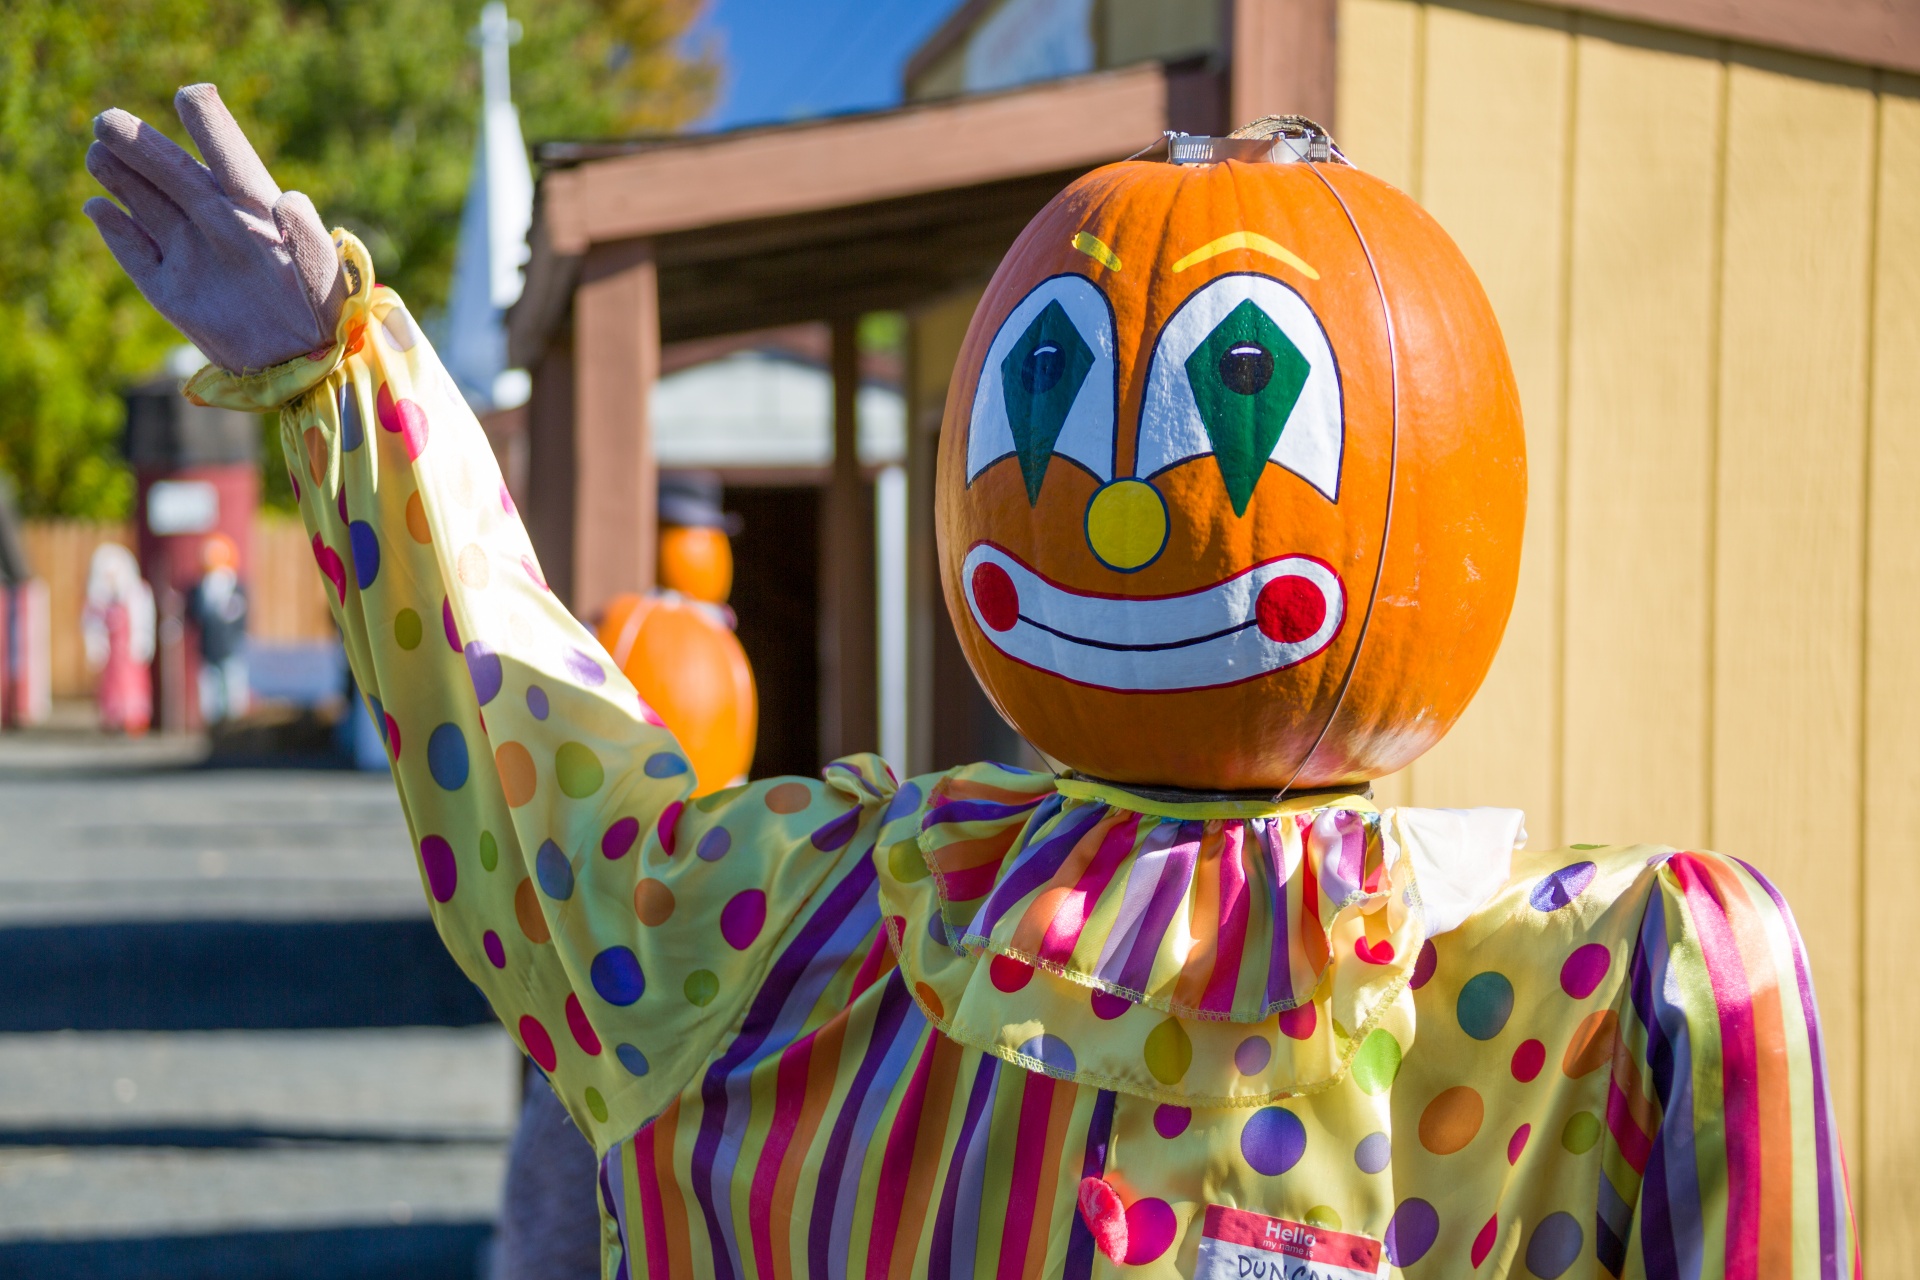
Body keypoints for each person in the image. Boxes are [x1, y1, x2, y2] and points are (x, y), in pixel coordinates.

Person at [84, 88, 1854, 1279]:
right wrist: (346, 382)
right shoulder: (835, 919)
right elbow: (548, 783)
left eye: (1232, 401)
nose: (1118, 501)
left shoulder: (1586, 1004)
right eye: (1051, 403)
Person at [80, 542, 155, 735]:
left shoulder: (136, 594)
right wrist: (95, 645)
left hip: (129, 650)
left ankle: (135, 717)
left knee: (133, 682)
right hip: (112, 653)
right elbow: (92, 624)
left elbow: (143, 618)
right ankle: (113, 717)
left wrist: (143, 640)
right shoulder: (99, 601)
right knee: (112, 684)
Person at [185, 532, 248, 724]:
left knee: (233, 693)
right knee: (210, 697)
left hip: (231, 649)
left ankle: (235, 730)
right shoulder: (198, 588)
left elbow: (241, 618)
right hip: (207, 649)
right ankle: (214, 729)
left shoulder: (236, 586)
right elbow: (193, 616)